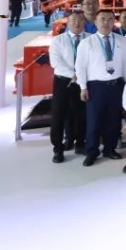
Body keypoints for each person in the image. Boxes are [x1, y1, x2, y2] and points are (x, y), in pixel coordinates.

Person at [75, 9, 126, 167]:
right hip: (96, 87)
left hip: (117, 85)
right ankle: (91, 152)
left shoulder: (122, 41)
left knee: (113, 121)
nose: (106, 22)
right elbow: (80, 67)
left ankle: (109, 149)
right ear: (96, 22)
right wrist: (83, 87)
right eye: (102, 19)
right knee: (94, 121)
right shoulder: (87, 43)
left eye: (109, 19)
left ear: (114, 22)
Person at [49, 12, 88, 163]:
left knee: (81, 114)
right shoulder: (58, 40)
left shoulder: (91, 38)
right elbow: (56, 62)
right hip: (63, 82)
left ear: (84, 22)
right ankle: (58, 149)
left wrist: (82, 76)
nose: (76, 23)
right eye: (73, 20)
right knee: (58, 116)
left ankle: (80, 143)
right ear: (68, 23)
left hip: (84, 82)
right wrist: (74, 74)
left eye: (80, 20)